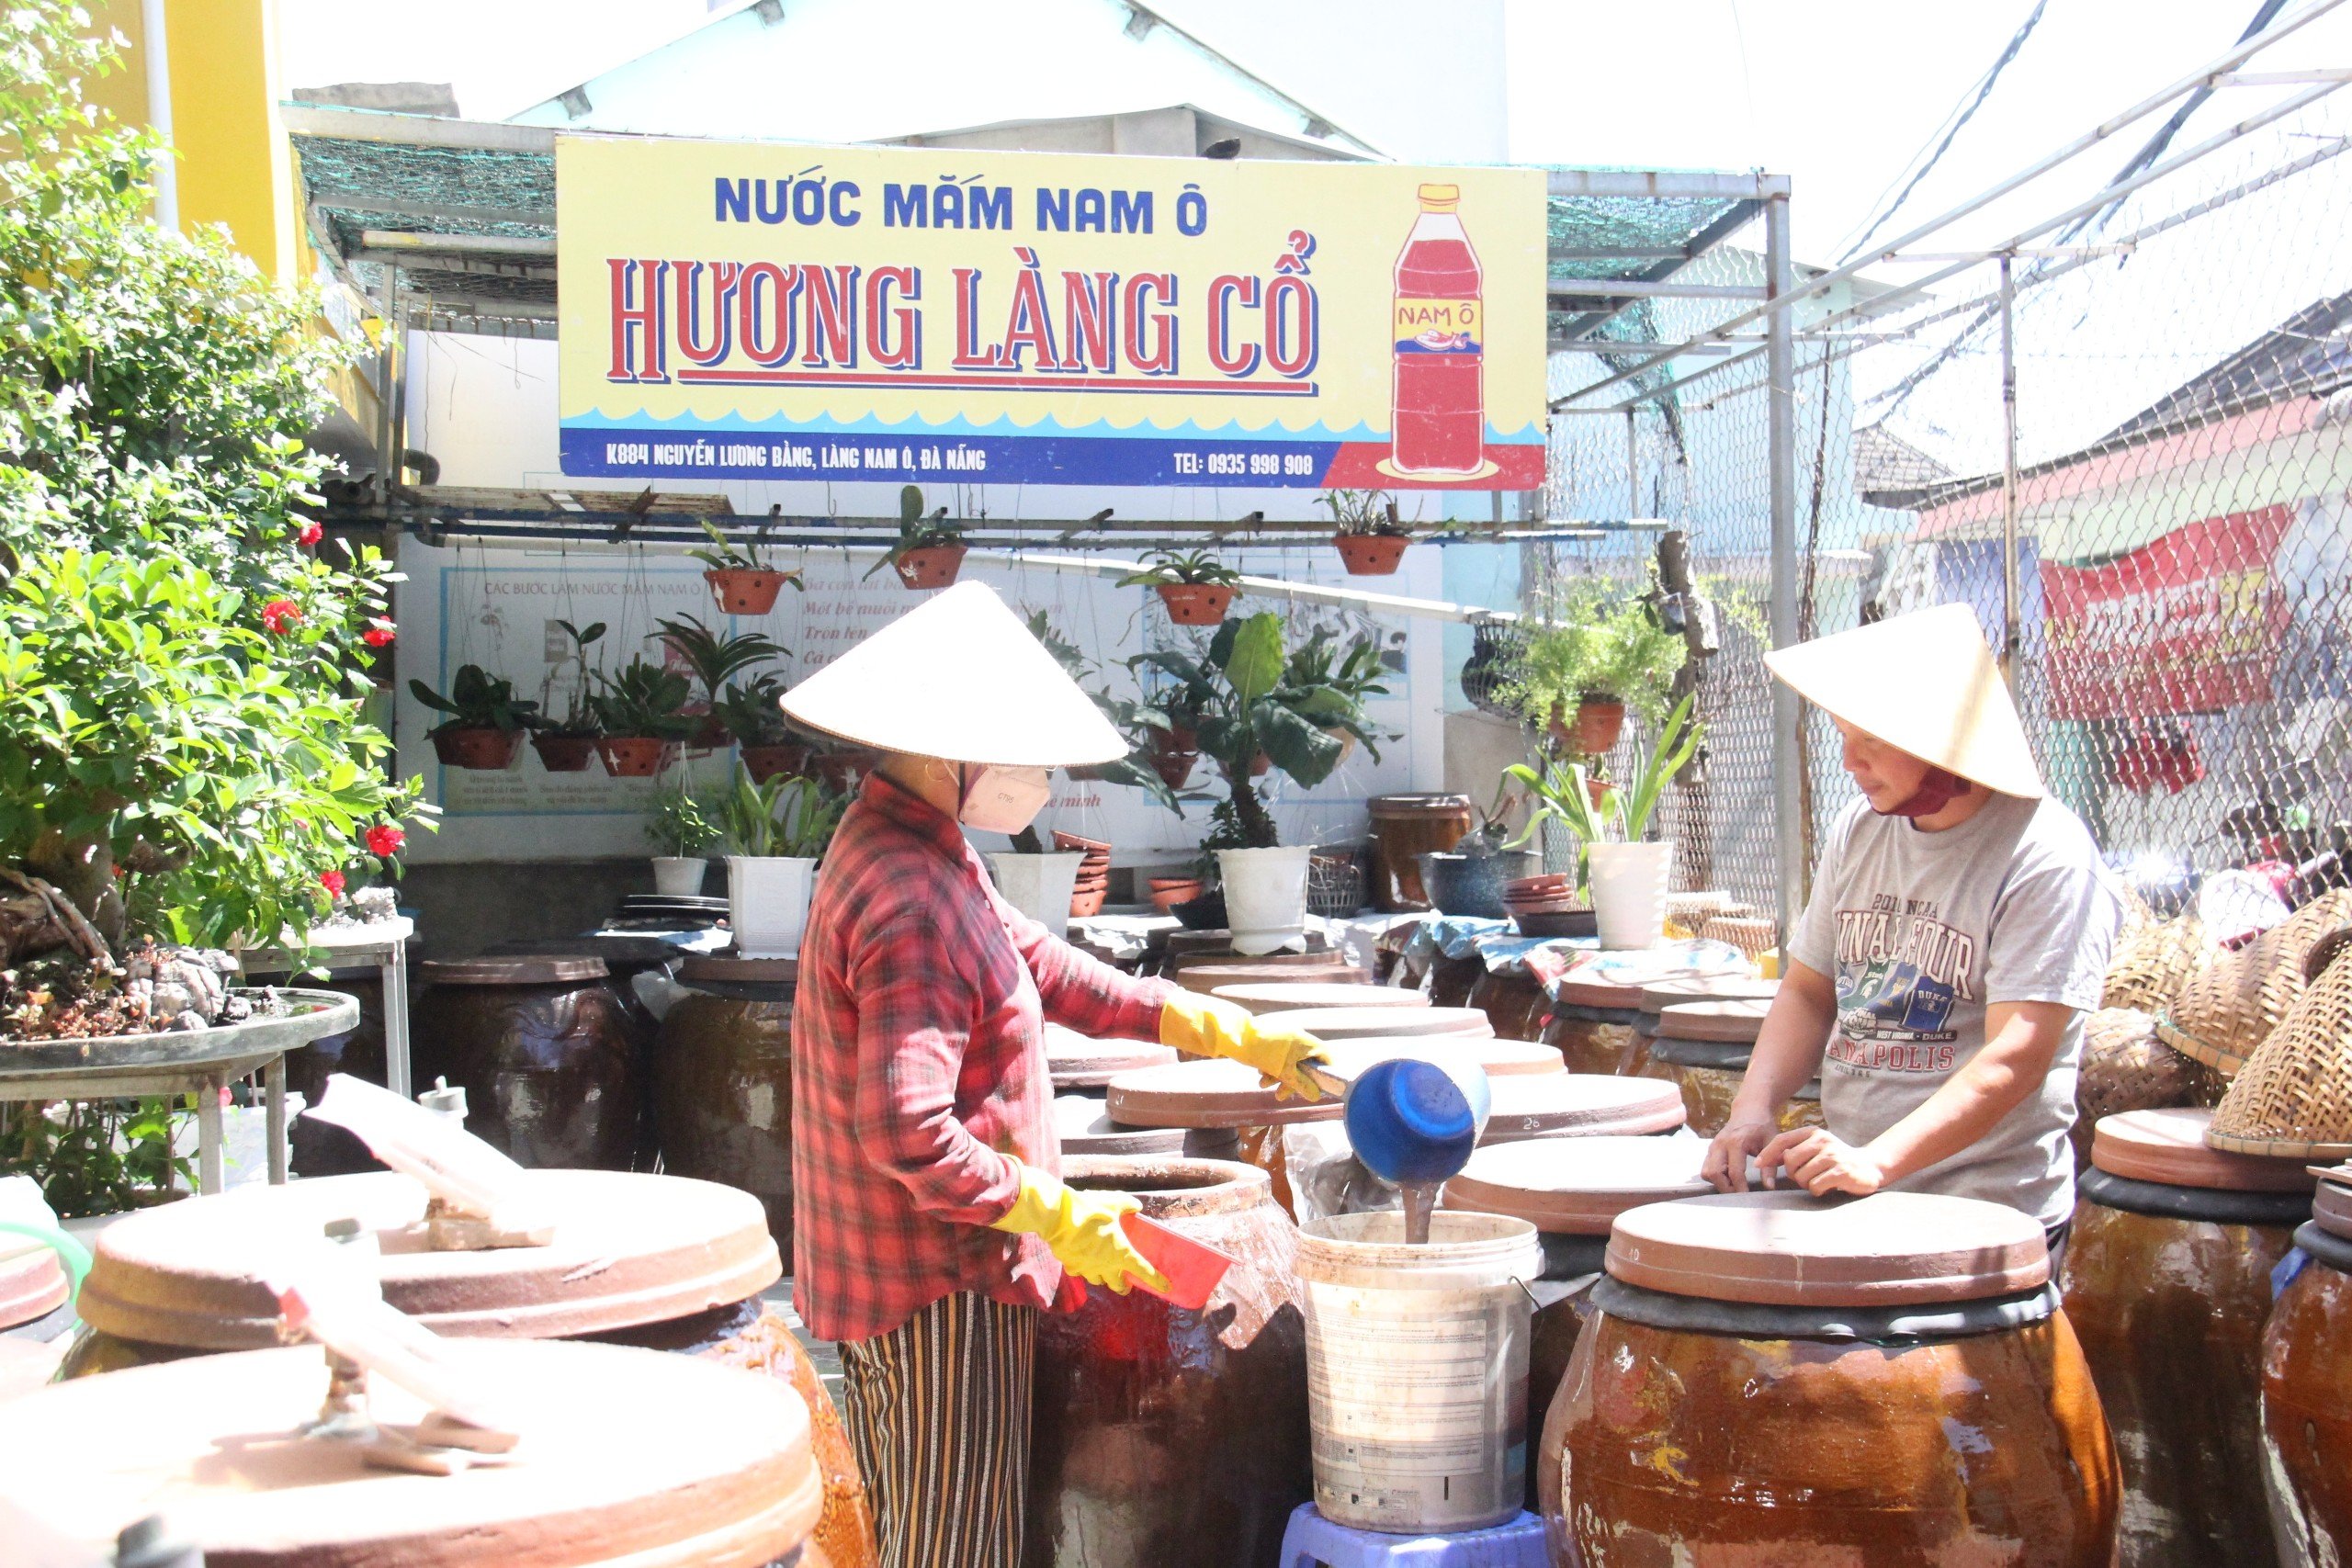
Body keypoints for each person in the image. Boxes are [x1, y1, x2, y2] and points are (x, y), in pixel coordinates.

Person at [778, 581, 1331, 1568]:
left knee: (929, 1529)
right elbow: (907, 1132)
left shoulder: (916, 844)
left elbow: (1035, 961)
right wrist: (1059, 1215)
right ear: (956, 754)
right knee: (954, 1547)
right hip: (937, 1291)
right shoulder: (909, 897)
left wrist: (1217, 1027)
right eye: (1027, 761)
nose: (1040, 783)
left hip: (920, 1272)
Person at [1701, 604, 2120, 1258]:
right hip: (1859, 1192)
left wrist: (1878, 1161)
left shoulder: (2047, 856)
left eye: (1870, 741)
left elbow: (2016, 1056)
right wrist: (1753, 1108)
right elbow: (1810, 992)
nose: (1849, 761)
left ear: (1945, 743)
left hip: (1982, 1215)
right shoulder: (1860, 830)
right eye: (1841, 735)